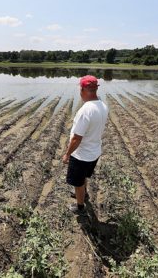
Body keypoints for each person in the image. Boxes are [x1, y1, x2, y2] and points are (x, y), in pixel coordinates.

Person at [62, 75, 109, 214]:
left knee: (78, 182)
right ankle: (84, 194)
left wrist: (67, 154)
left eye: (80, 89)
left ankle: (80, 206)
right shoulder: (102, 105)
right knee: (83, 178)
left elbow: (76, 138)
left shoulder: (86, 110)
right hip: (94, 152)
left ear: (83, 89)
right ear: (95, 89)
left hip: (81, 155)